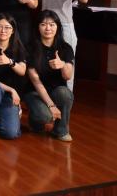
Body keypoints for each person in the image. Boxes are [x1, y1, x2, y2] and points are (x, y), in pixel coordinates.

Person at [24, 10, 75, 141]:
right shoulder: (30, 48)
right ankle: (35, 122)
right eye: (43, 24)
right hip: (34, 92)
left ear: (57, 27)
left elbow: (68, 76)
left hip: (56, 90)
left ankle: (61, 131)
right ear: (38, 27)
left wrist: (62, 64)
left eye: (52, 24)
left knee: (65, 94)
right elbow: (36, 82)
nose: (48, 28)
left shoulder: (65, 48)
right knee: (44, 116)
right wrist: (51, 106)